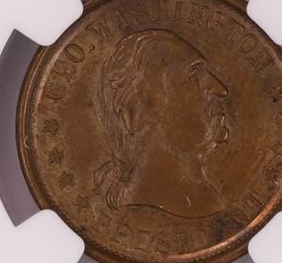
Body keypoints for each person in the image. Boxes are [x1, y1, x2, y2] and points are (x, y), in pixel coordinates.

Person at [93, 29, 231, 218]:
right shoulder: (145, 207)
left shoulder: (209, 202)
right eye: (193, 74)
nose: (220, 89)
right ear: (141, 105)